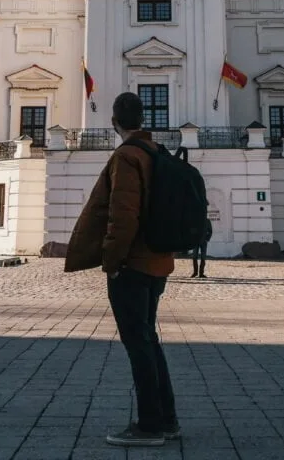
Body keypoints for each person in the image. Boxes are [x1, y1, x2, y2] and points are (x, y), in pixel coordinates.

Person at [65, 92, 179, 448]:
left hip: (134, 264)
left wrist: (112, 263)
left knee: (139, 344)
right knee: (149, 340)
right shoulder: (156, 152)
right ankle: (167, 419)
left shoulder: (127, 156)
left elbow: (122, 214)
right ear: (142, 119)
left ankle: (149, 425)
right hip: (158, 261)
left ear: (114, 122)